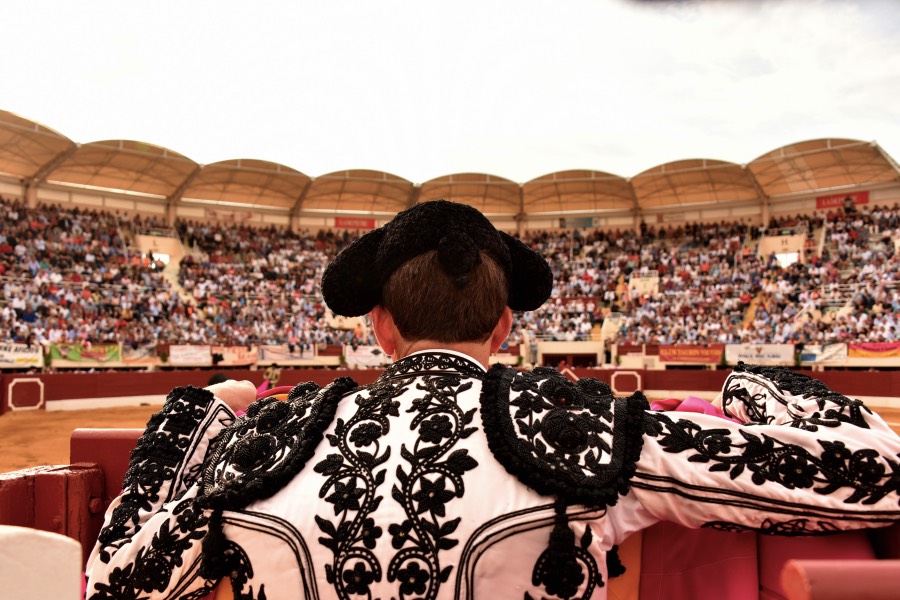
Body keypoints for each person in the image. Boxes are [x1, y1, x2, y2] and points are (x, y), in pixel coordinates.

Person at [85, 200, 900, 599]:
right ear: (506, 326)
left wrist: (201, 410)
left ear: (379, 327)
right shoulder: (580, 430)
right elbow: (876, 473)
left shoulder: (267, 436)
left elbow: (116, 584)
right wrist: (752, 385)